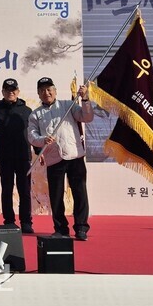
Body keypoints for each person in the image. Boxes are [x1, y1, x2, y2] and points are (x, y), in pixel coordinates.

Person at [27, 77, 94, 240]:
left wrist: (85, 99)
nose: (46, 93)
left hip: (74, 155)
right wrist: (43, 140)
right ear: (38, 93)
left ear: (55, 91)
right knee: (56, 196)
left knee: (80, 193)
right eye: (42, 90)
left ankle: (81, 227)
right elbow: (32, 136)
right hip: (54, 158)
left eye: (49, 89)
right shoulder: (35, 114)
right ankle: (60, 228)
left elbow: (87, 117)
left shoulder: (68, 105)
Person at [0, 78, 33, 233]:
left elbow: (32, 132)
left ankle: (26, 222)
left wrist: (38, 150)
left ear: (18, 91)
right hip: (4, 157)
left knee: (25, 190)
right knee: (7, 189)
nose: (11, 92)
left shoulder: (27, 111)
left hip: (23, 156)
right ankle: (9, 221)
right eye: (7, 90)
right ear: (3, 92)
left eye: (13, 90)